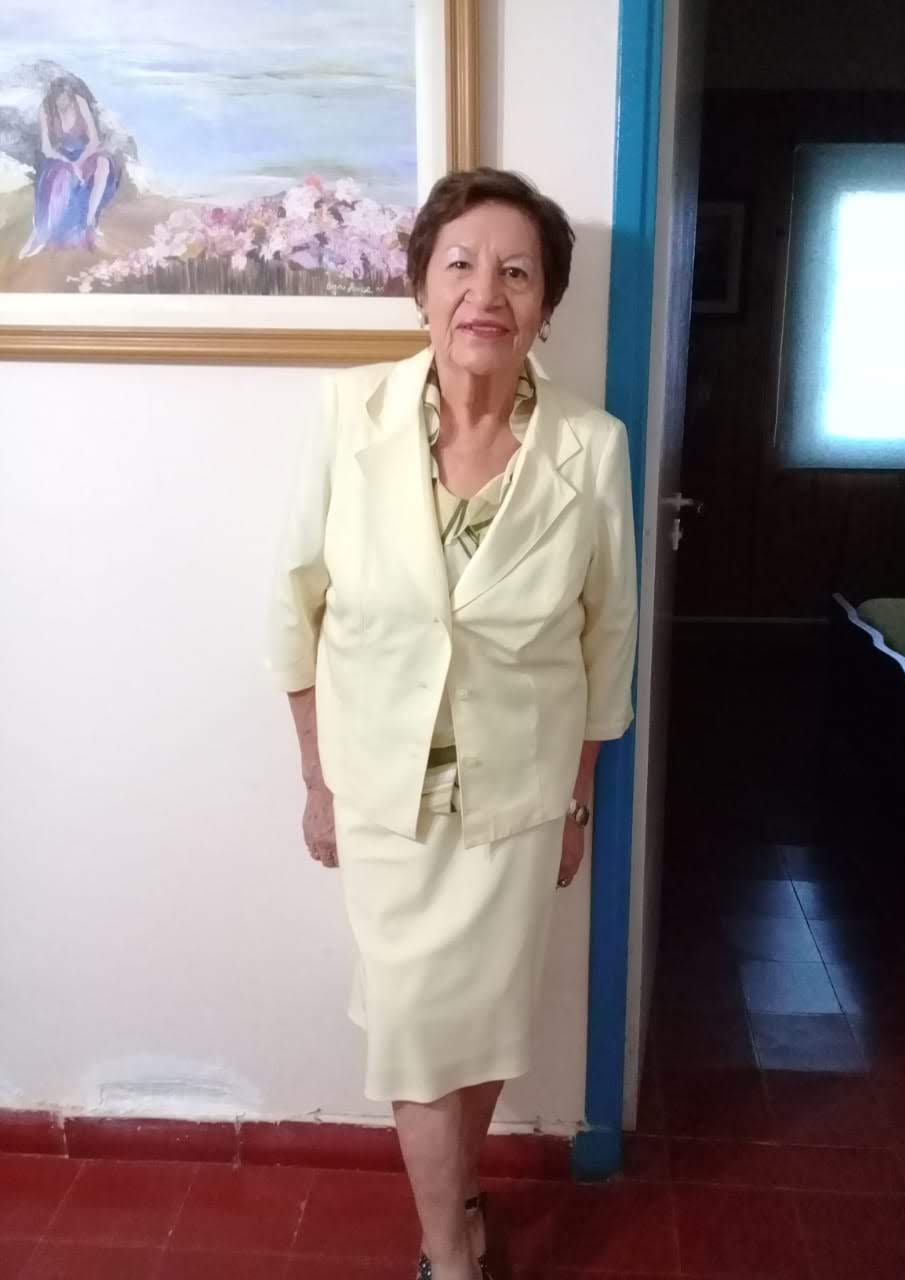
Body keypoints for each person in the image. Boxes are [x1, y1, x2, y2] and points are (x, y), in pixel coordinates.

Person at [266, 167, 638, 1280]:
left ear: (545, 303)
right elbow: (296, 603)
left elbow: (607, 636)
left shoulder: (591, 446)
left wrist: (578, 799)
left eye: (517, 272)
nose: (487, 293)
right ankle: (449, 1256)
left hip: (517, 796)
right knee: (418, 1028)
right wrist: (317, 779)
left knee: (480, 1023)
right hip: (385, 791)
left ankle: (459, 1198)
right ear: (421, 286)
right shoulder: (350, 414)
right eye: (461, 265)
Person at [19, 76, 119, 259]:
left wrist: (79, 163)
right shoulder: (45, 109)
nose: (62, 102)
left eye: (66, 97)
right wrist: (70, 165)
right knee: (62, 175)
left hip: (85, 154)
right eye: (58, 99)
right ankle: (42, 235)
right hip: (59, 158)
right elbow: (47, 149)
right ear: (53, 96)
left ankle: (90, 221)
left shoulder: (79, 102)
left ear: (70, 94)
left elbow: (94, 141)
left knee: (103, 163)